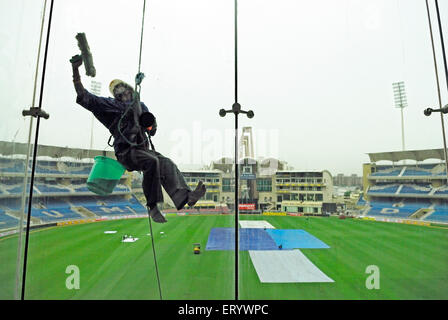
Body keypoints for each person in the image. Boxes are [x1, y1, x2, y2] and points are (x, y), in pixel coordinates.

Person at [70, 57, 206, 223]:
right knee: (152, 162)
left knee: (167, 163)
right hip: (127, 152)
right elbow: (84, 97)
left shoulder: (141, 106)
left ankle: (186, 198)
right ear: (116, 95)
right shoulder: (109, 106)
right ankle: (153, 207)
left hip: (142, 149)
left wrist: (150, 125)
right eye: (119, 91)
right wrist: (75, 70)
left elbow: (152, 130)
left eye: (125, 89)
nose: (124, 92)